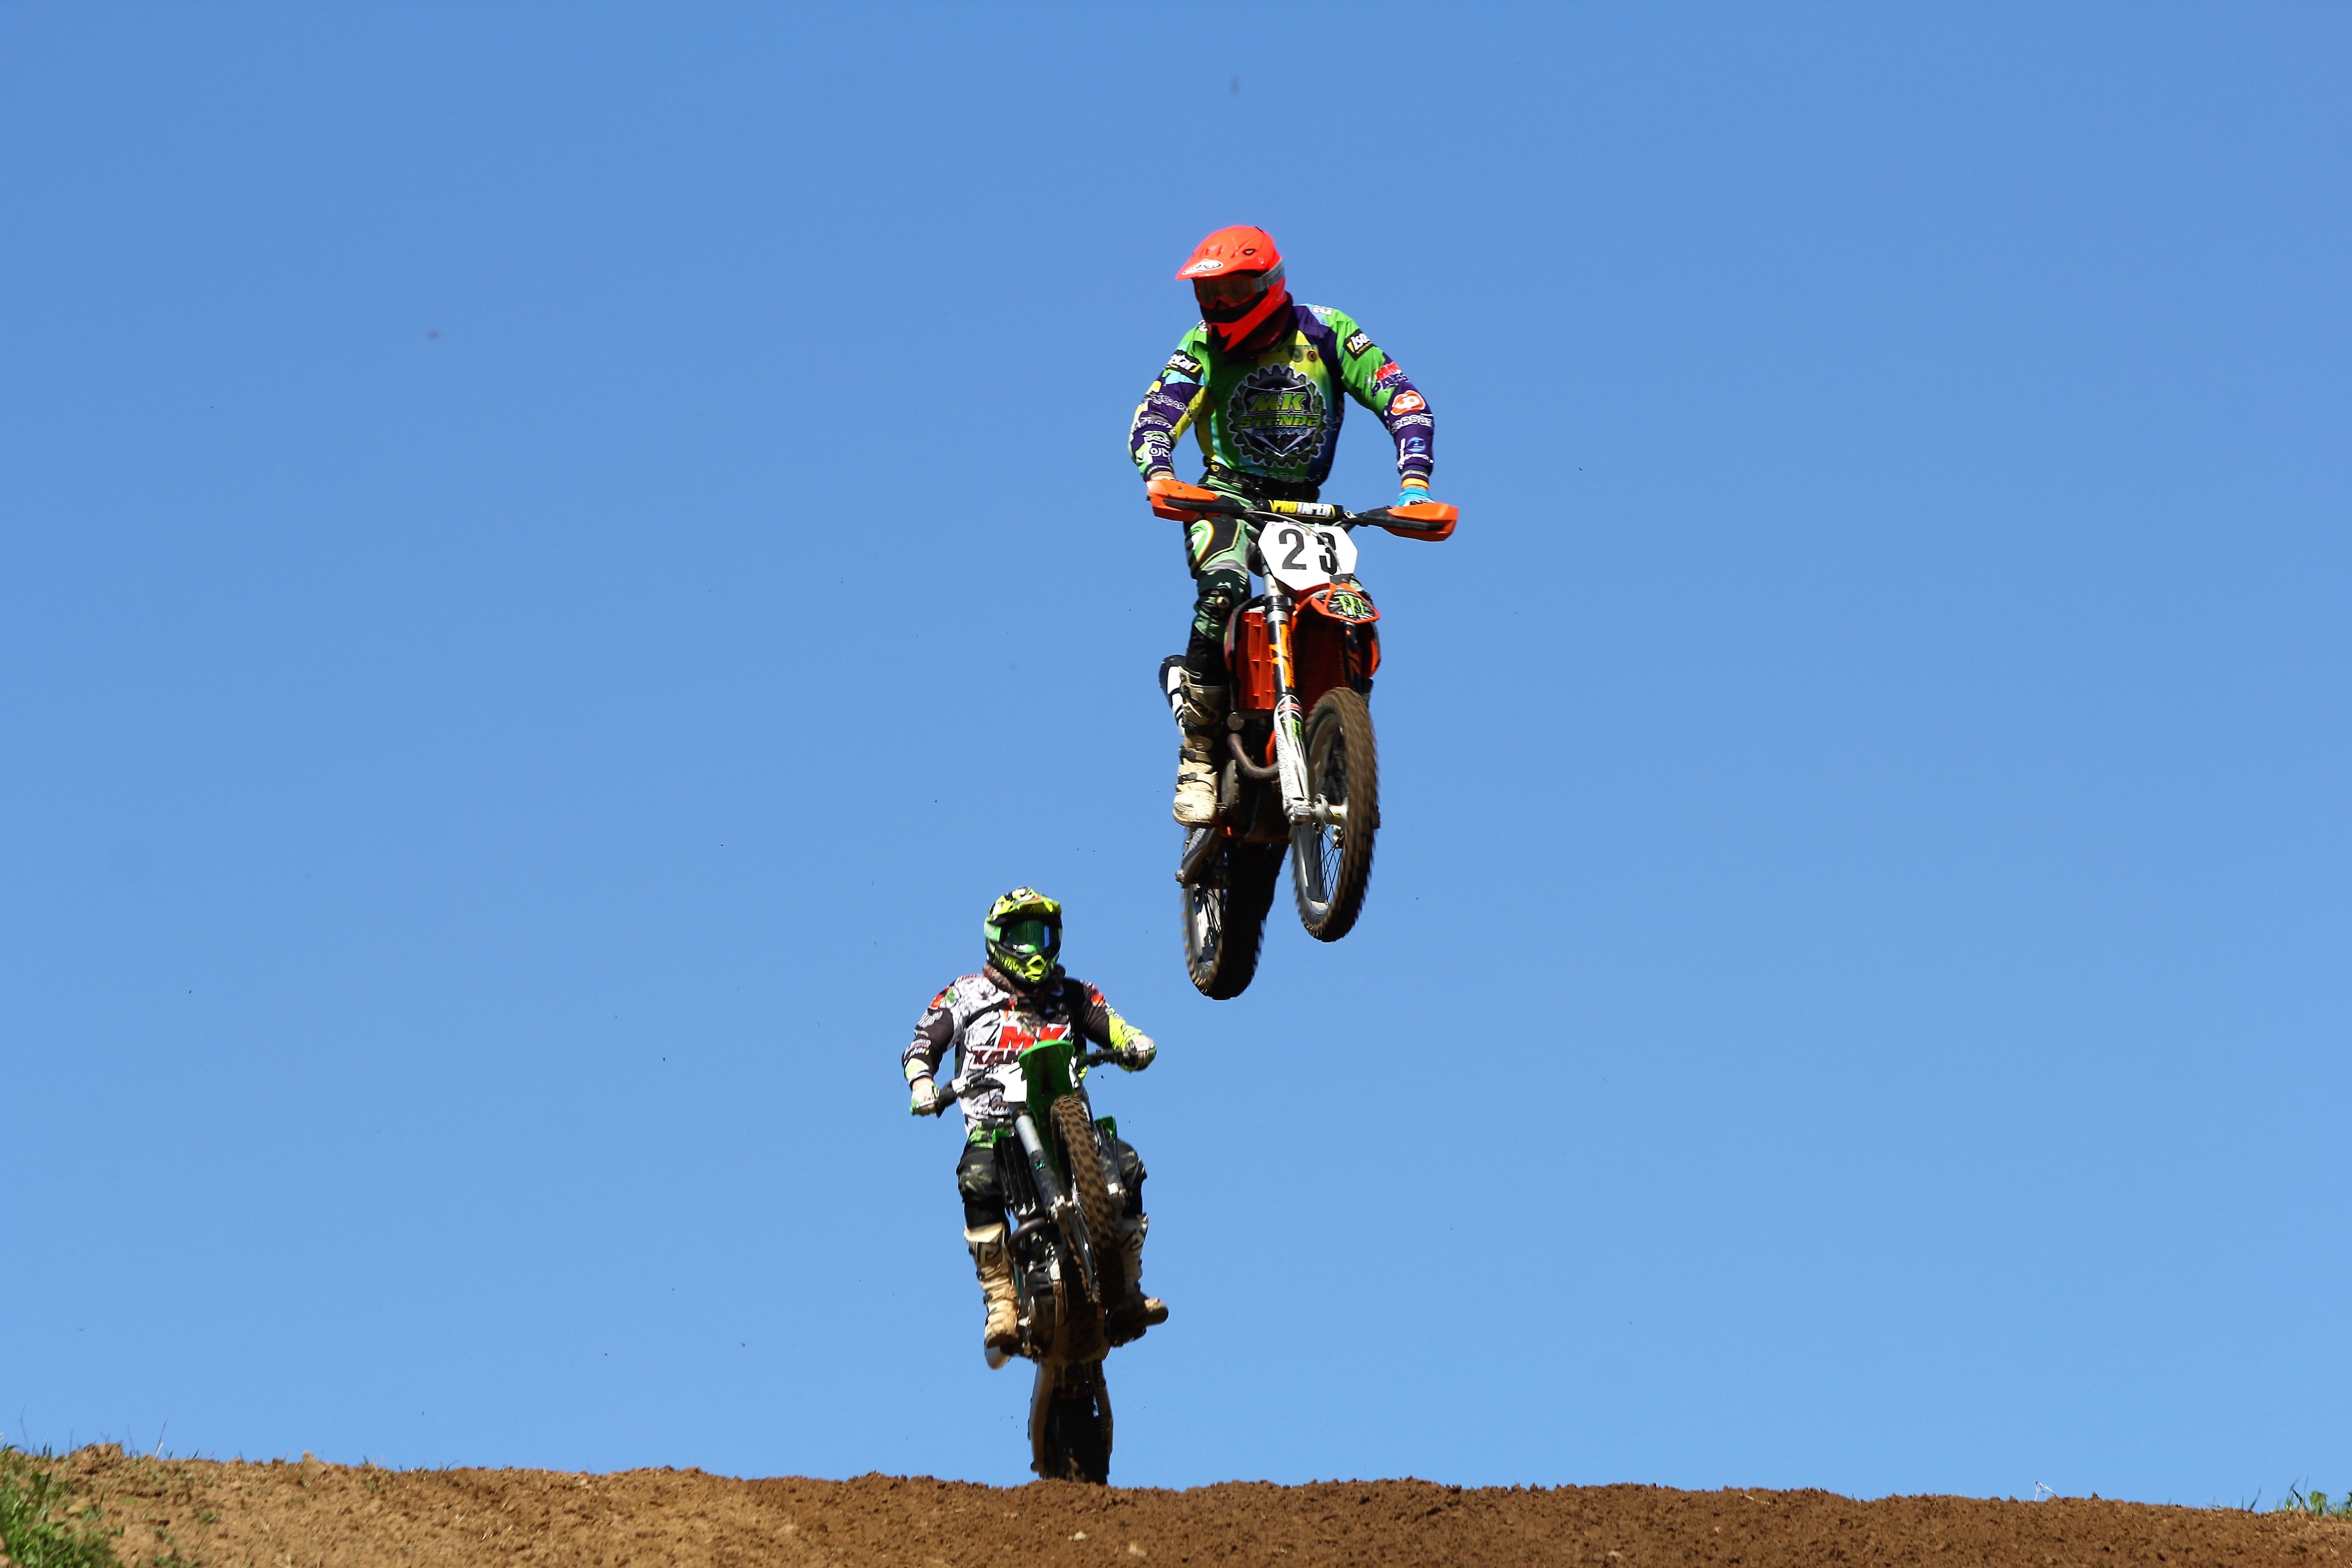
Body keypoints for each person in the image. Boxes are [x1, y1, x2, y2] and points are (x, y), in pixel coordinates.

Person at [1129, 224, 1444, 824]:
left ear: (1269, 284)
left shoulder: (1328, 331)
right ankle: (1198, 752)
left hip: (1304, 505)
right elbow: (1156, 414)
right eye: (1209, 293)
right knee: (1223, 589)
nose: (1219, 305)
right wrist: (1160, 472)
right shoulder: (1202, 345)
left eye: (1232, 290)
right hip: (1227, 498)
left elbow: (1404, 401)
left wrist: (1414, 487)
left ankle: (1342, 740)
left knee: (1349, 612)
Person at [903, 887, 1168, 1356]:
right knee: (976, 1177)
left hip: (1068, 1120)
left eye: (1040, 935)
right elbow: (924, 1042)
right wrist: (923, 1082)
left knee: (1127, 1165)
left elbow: (1112, 1024)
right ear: (997, 940)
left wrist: (1134, 1042)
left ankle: (1128, 1287)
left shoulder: (1073, 993)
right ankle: (1001, 1300)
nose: (1031, 946)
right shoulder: (967, 993)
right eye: (1021, 935)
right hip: (996, 1126)